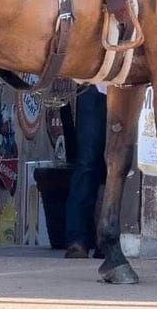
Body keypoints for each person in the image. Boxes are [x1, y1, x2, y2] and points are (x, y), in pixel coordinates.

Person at [64, 84, 107, 259]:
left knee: (116, 167)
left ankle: (105, 240)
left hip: (128, 87)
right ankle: (77, 239)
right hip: (95, 84)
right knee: (86, 162)